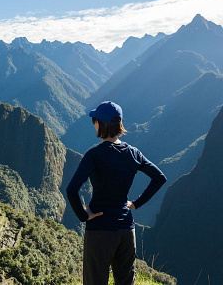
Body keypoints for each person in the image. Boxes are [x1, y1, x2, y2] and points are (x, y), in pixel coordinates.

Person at [66, 101, 167, 285]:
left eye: (94, 121)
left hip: (100, 229)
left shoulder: (94, 155)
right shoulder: (133, 153)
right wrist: (136, 204)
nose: (93, 124)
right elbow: (159, 178)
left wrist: (84, 215)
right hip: (126, 230)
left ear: (100, 124)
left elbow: (72, 189)